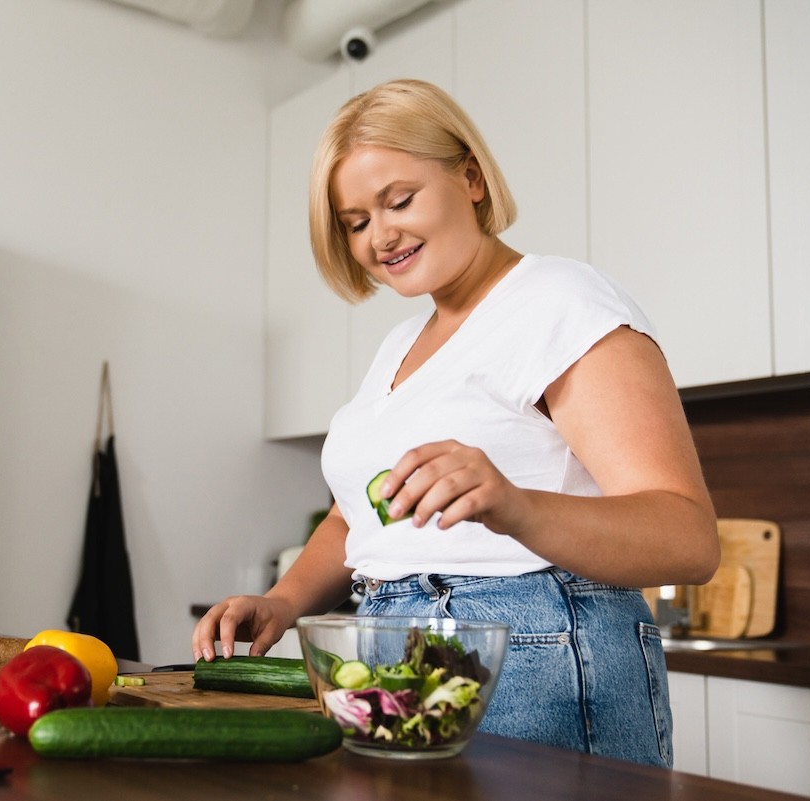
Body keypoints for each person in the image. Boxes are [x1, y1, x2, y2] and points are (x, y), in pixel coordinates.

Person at [192, 79, 719, 767]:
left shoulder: (560, 302)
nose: (380, 235)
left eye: (399, 200)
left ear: (470, 176)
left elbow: (687, 535)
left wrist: (516, 505)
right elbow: (358, 518)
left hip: (535, 655)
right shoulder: (399, 347)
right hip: (391, 655)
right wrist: (282, 601)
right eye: (355, 221)